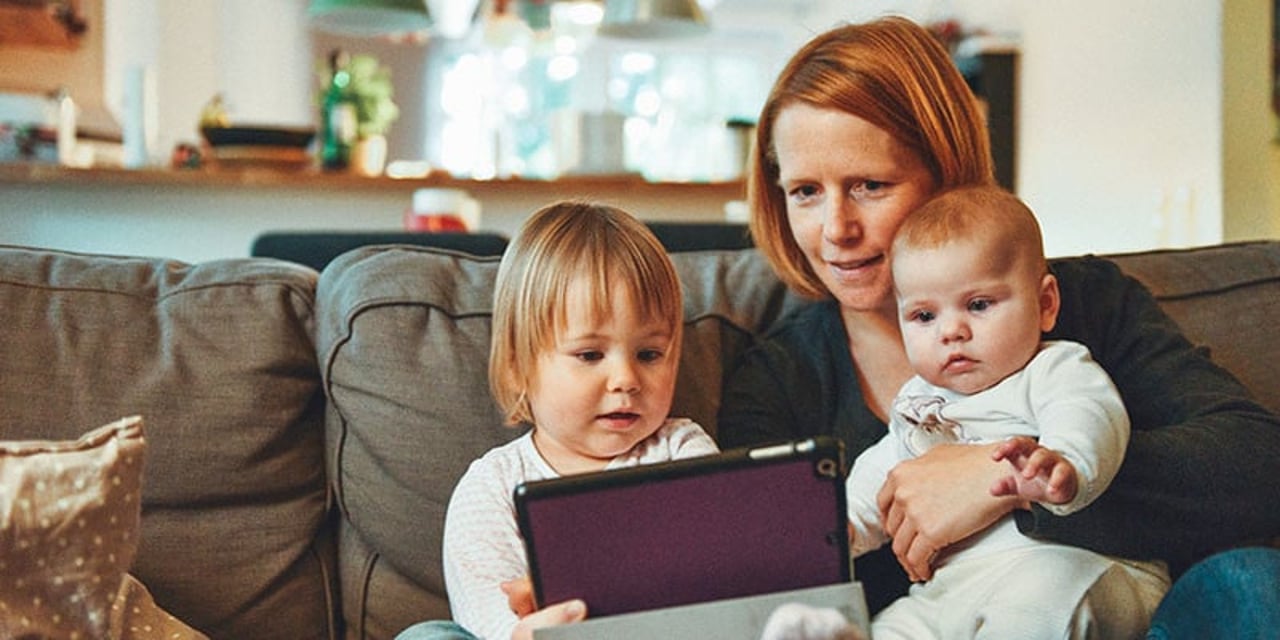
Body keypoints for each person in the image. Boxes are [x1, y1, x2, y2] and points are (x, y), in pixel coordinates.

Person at [716, 14, 1280, 635]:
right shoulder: (775, 379)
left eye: (870, 185)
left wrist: (1003, 479)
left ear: (946, 172)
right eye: (804, 192)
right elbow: (763, 574)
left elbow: (1257, 465)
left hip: (1107, 610)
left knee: (1251, 583)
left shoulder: (1082, 304)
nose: (836, 229)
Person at [841, 184, 1168, 638]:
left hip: (1076, 566)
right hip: (954, 588)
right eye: (923, 317)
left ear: (1045, 304)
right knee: (897, 625)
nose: (951, 331)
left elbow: (1089, 413)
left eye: (978, 305)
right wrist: (840, 529)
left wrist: (1063, 463)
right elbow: (881, 474)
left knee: (1037, 604)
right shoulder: (917, 402)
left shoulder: (1053, 367)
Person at [397, 201, 719, 640]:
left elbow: (713, 572)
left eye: (649, 354)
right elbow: (489, 613)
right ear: (517, 366)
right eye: (589, 355)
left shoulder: (682, 450)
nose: (625, 379)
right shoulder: (492, 485)